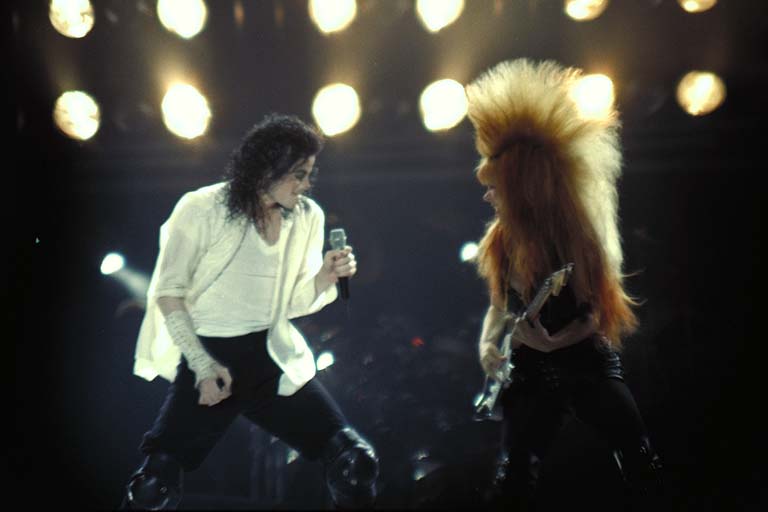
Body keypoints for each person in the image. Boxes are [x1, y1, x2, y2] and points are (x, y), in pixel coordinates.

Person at [121, 114, 379, 510]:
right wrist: (202, 366)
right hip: (211, 358)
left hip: (271, 359)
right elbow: (169, 295)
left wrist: (325, 277)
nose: (306, 184)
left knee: (355, 463)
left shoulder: (307, 216)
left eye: (309, 174)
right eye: (298, 174)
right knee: (153, 487)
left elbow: (292, 303)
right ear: (267, 167)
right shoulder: (202, 207)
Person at [465, 59, 663, 510]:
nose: (487, 196)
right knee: (513, 475)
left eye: (495, 188)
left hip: (584, 360)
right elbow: (499, 306)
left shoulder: (576, 237)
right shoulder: (499, 242)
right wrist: (487, 345)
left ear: (520, 189)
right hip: (529, 369)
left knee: (638, 456)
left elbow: (595, 314)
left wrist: (555, 342)